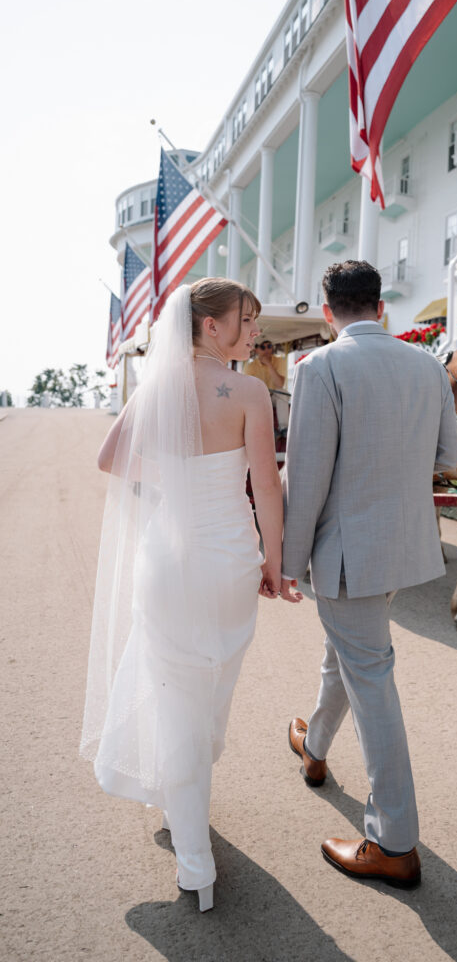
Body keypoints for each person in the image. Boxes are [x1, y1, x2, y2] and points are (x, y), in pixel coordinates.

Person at [80, 278, 301, 913]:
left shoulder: (157, 390)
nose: (253, 330)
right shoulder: (249, 392)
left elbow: (109, 460)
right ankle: (189, 826)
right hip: (230, 560)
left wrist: (173, 479)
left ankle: (190, 844)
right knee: (211, 691)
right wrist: (274, 565)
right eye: (246, 319)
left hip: (167, 560)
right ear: (210, 326)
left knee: (174, 690)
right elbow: (267, 487)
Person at [282, 260, 457, 889]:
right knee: (350, 657)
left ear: (328, 311)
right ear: (380, 307)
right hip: (401, 548)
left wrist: (286, 563)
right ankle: (315, 746)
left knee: (370, 678)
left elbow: (304, 479)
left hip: (345, 552)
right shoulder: (427, 364)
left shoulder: (320, 367)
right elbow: (449, 456)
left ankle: (393, 840)